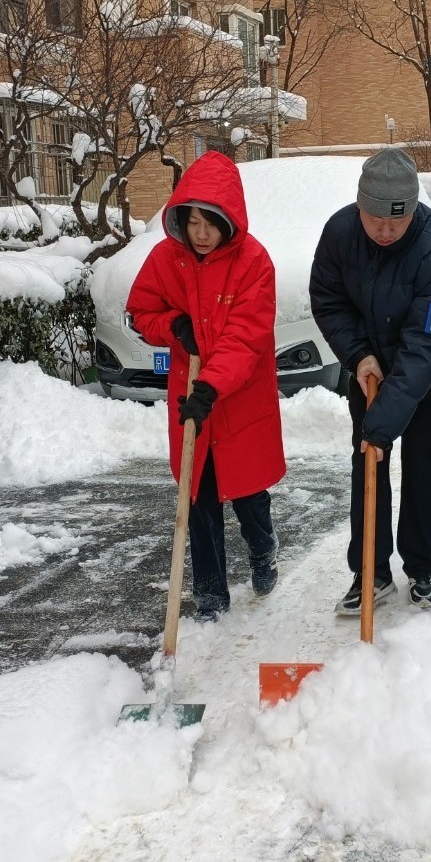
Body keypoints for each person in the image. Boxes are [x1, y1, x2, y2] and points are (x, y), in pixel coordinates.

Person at [310, 148, 431, 614]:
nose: (383, 231)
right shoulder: (340, 233)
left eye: (395, 223)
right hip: (371, 373)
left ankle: (422, 567)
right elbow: (328, 300)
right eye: (374, 219)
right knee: (369, 467)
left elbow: (425, 344)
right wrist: (358, 355)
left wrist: (381, 425)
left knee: (428, 470)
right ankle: (370, 572)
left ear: (413, 210)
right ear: (359, 205)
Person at [127, 151, 285, 623]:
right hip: (191, 395)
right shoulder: (165, 259)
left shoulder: (254, 262)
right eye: (191, 221)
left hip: (237, 399)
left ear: (227, 220)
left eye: (209, 222)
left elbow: (245, 338)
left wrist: (211, 387)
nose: (199, 233)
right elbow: (141, 311)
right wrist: (173, 326)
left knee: (248, 492)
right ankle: (211, 592)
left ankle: (263, 551)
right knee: (197, 494)